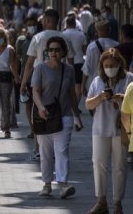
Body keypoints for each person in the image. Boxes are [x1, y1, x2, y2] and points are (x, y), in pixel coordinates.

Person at [31, 36, 82, 198]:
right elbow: (35, 91)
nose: (53, 52)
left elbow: (72, 94)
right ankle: (46, 184)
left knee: (62, 150)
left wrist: (77, 116)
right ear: (47, 52)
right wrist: (40, 107)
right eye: (50, 50)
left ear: (63, 52)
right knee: (46, 153)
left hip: (64, 115)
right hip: (44, 116)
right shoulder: (40, 69)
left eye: (57, 50)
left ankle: (63, 185)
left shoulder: (69, 70)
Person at [86, 48, 132, 214]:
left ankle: (117, 204)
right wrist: (100, 98)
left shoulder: (129, 79)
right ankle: (101, 201)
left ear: (119, 64)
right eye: (106, 65)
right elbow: (88, 104)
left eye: (112, 65)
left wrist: (122, 99)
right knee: (98, 164)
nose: (109, 68)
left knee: (120, 167)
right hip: (100, 128)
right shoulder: (98, 81)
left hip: (122, 129)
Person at [15, 14, 39, 140]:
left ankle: (38, 128)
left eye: (33, 24)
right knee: (28, 104)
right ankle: (32, 128)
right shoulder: (21, 41)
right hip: (26, 77)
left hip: (40, 78)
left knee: (38, 103)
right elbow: (18, 58)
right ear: (26, 26)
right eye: (29, 25)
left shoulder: (41, 39)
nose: (31, 27)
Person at [82, 21, 118, 97]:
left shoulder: (91, 47)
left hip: (95, 84)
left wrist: (83, 85)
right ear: (109, 30)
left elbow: (87, 68)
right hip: (114, 83)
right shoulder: (116, 45)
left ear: (97, 32)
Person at [63, 16, 87, 106]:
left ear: (66, 24)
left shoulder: (63, 34)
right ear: (75, 24)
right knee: (78, 85)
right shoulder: (81, 34)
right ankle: (75, 105)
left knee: (66, 84)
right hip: (79, 62)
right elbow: (85, 48)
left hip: (66, 62)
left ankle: (67, 104)